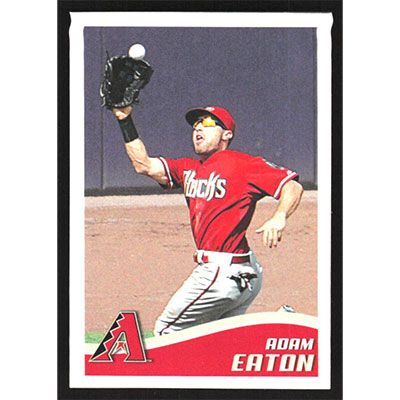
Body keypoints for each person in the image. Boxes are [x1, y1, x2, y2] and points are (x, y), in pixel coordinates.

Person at [111, 105, 303, 335]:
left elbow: (292, 186)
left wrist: (280, 216)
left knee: (166, 331)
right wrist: (125, 120)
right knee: (219, 340)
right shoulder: (188, 168)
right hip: (240, 272)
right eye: (196, 124)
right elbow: (143, 165)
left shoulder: (242, 164)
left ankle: (279, 328)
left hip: (220, 273)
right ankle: (279, 325)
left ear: (227, 134)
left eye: (209, 123)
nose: (199, 128)